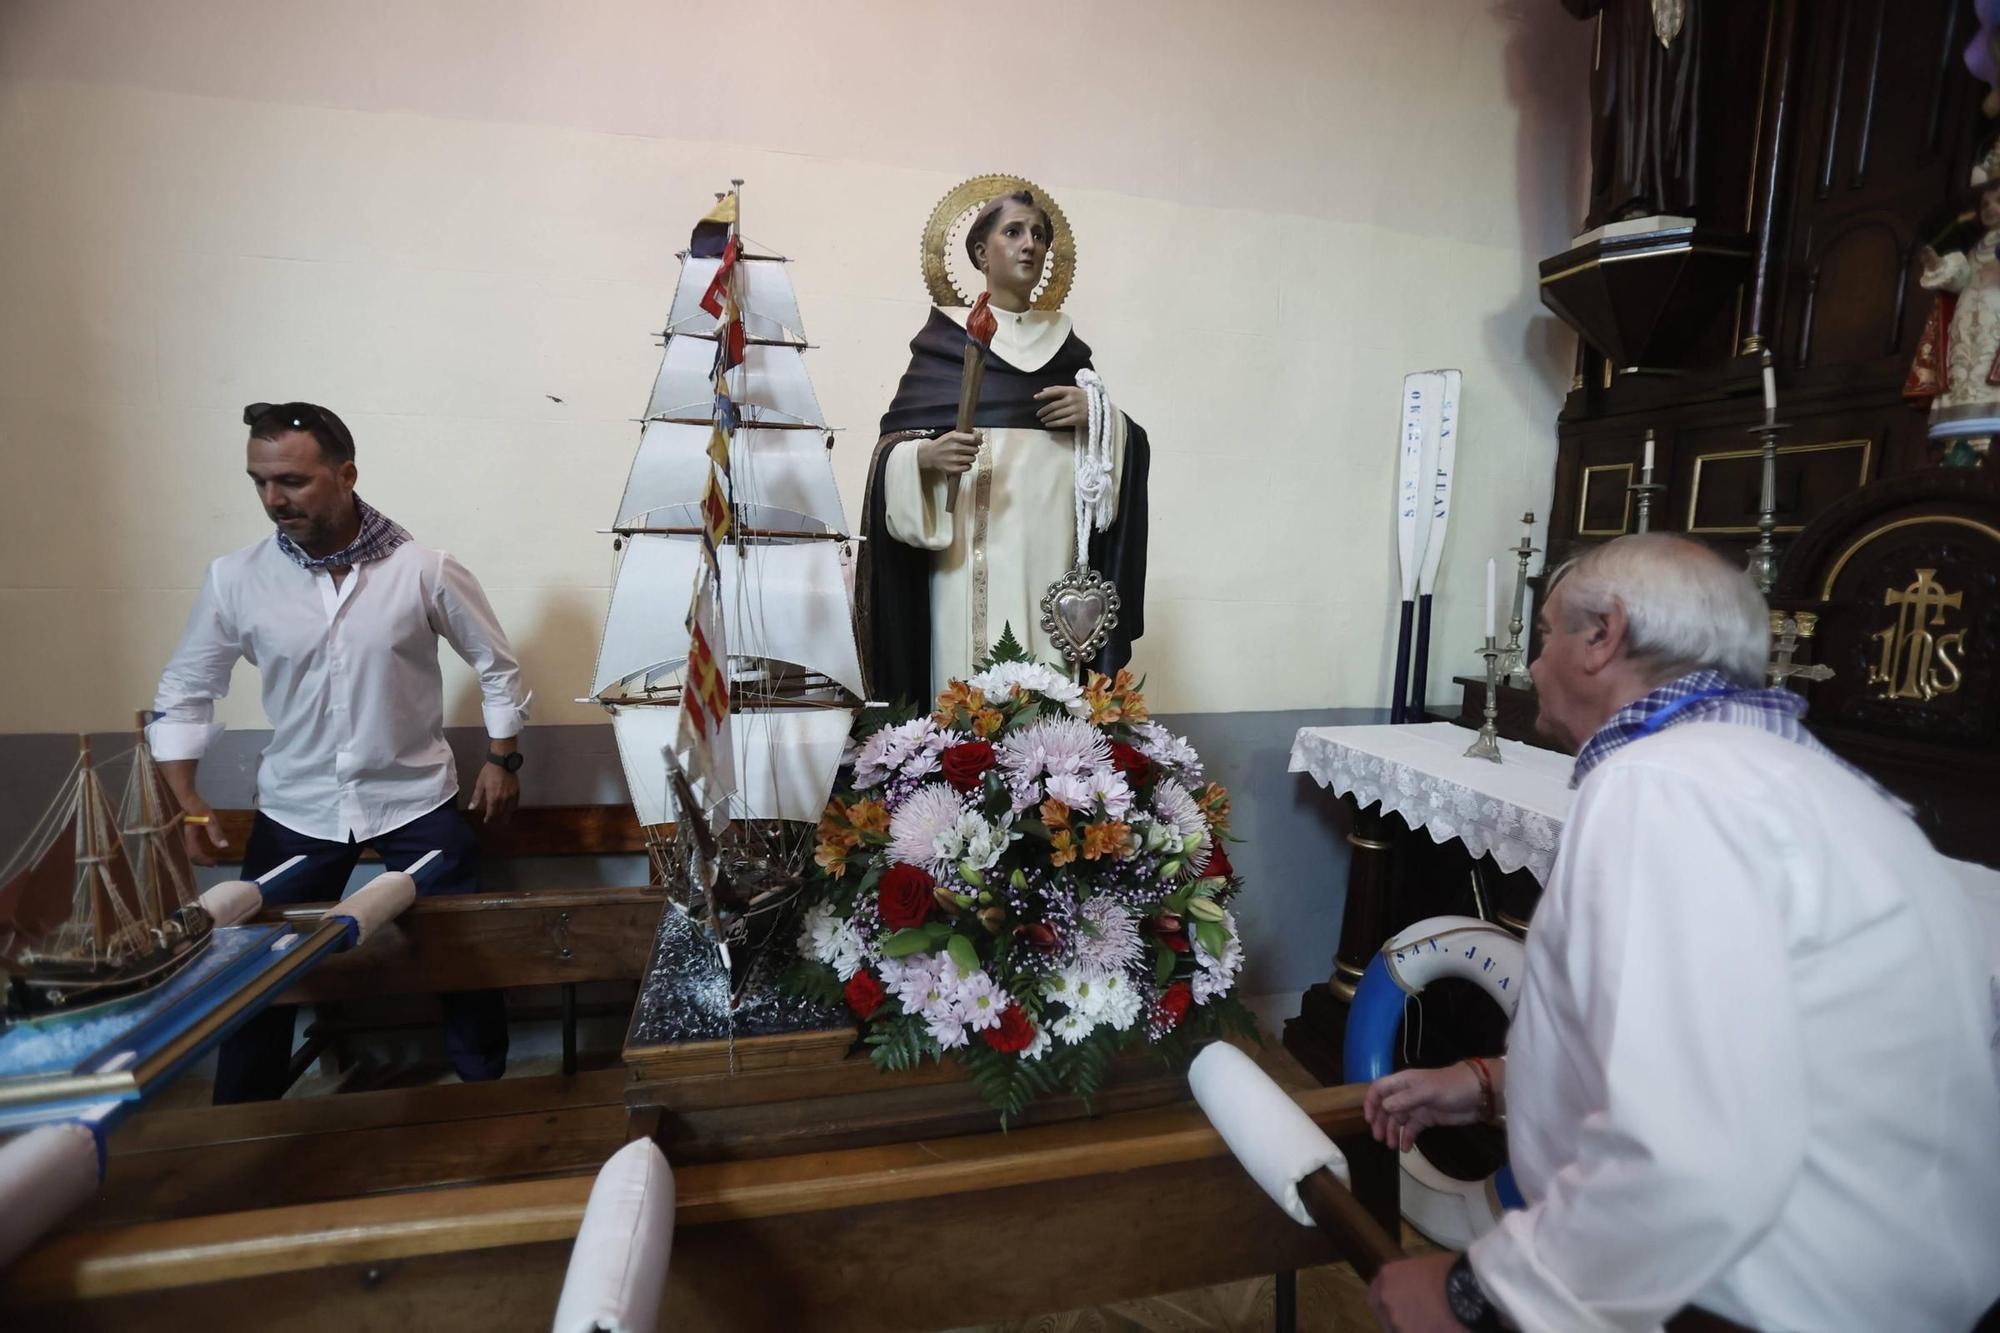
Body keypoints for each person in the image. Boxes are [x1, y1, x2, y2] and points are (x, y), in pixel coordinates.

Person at [1364, 534, 2000, 1332]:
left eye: (1549, 632)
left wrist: (1478, 1292)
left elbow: (1694, 1153)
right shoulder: (1805, 782)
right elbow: (1763, 1045)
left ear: (1605, 635)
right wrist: (1499, 1080)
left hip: (1759, 1300)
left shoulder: (1664, 786)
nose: (1530, 665)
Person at [150, 402, 533, 1103]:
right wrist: (187, 798)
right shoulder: (235, 579)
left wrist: (501, 758)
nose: (273, 499)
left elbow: (497, 664)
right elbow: (185, 687)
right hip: (297, 806)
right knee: (252, 965)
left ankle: (490, 1099)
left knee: (466, 956)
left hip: (415, 798)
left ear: (346, 474)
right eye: (259, 481)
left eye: (292, 481)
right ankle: (240, 1119)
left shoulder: (425, 569)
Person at [856, 189, 1150, 705]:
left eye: (1038, 235)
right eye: (1012, 232)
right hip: (965, 560)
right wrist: (924, 458)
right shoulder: (946, 344)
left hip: (1050, 558)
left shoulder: (1068, 350)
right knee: (968, 695)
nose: (1029, 245)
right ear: (979, 253)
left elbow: (1120, 464)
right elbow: (891, 451)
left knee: (1050, 693)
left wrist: (1099, 418)